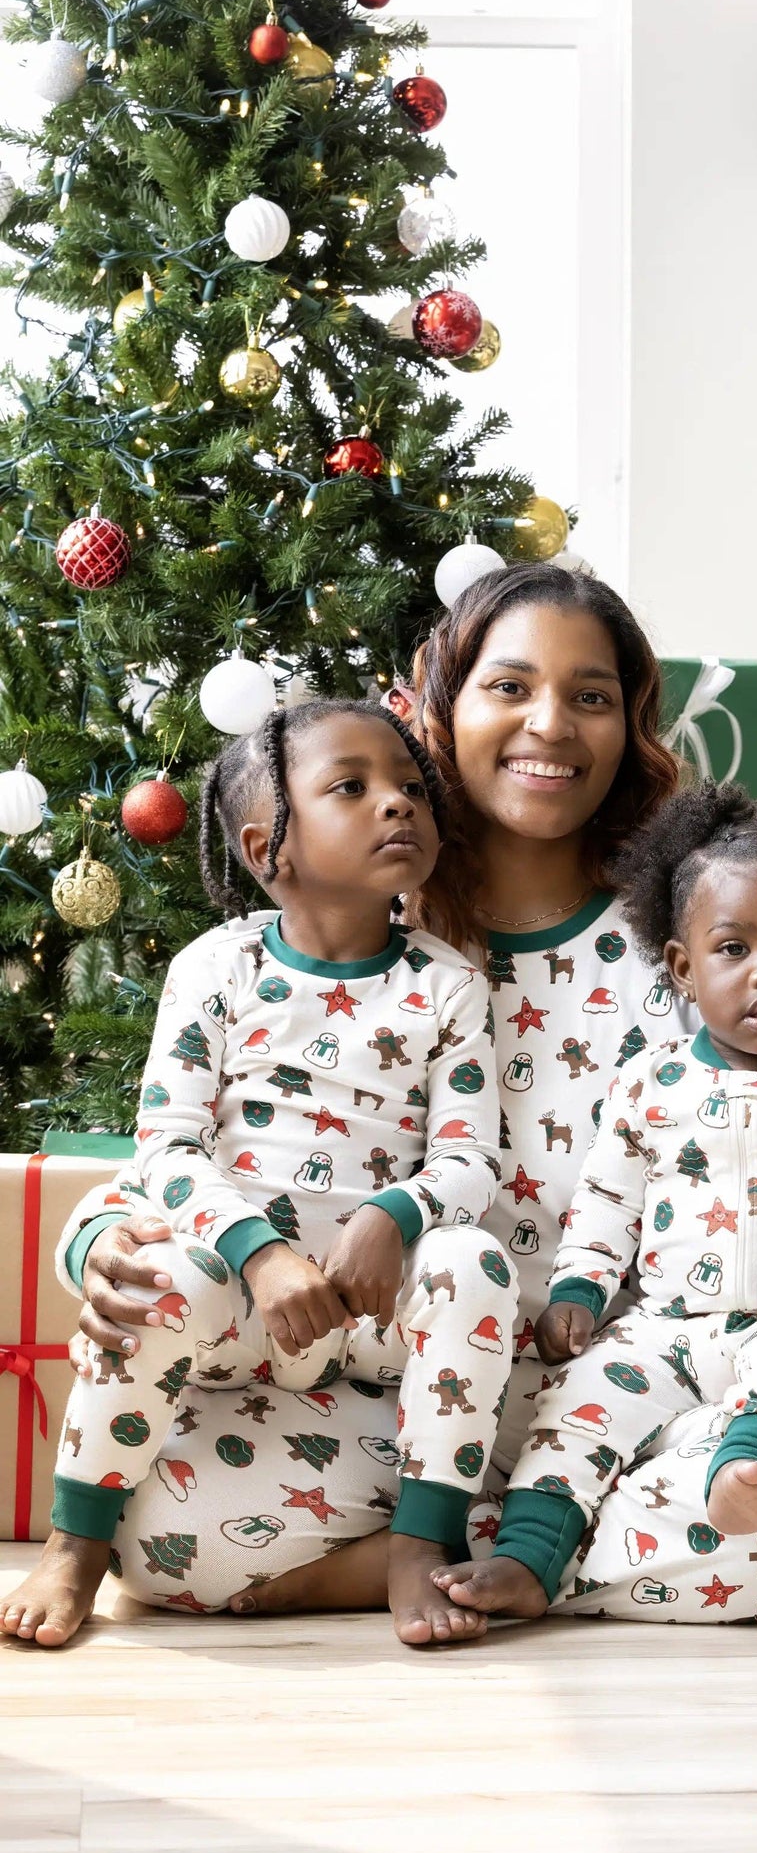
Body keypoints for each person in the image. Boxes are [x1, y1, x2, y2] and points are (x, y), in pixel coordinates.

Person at [6, 568, 757, 1647]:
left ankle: (501, 1553)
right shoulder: (351, 910)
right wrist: (93, 1245)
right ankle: (519, 1548)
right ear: (438, 712)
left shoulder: (707, 931)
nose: (548, 723)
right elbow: (188, 1141)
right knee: (162, 1526)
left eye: (590, 695)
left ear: (628, 725)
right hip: (397, 1400)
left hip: (647, 1392)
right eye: (508, 685)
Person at [5, 698, 518, 1649]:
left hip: (370, 1315)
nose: (398, 805)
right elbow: (167, 1146)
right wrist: (260, 1255)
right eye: (351, 789)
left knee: (475, 1266)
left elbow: (469, 1155)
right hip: (238, 1302)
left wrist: (395, 1217)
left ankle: (419, 1542)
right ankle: (76, 1542)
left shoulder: (446, 983)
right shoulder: (215, 968)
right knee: (162, 1273)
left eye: (410, 787)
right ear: (266, 846)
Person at [433, 783, 757, 1623]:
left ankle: (745, 1470)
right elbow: (606, 1201)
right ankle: (529, 1557)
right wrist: (579, 1288)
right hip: (667, 1327)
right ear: (682, 966)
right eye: (732, 949)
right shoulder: (649, 1084)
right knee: (577, 1400)